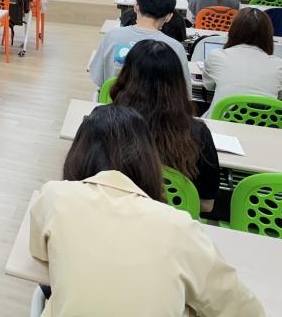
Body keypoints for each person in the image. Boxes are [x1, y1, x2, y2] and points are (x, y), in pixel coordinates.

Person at [30, 104, 263, 317]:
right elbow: (247, 311)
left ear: (77, 154)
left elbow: (41, 254)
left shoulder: (54, 197)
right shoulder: (180, 228)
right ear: (149, 159)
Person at [111, 40, 220, 213]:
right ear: (178, 81)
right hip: (173, 231)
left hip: (118, 220)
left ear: (125, 75)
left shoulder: (105, 123)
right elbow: (207, 205)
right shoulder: (198, 134)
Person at [90, 0, 189, 90]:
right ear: (169, 16)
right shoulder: (175, 47)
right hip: (156, 106)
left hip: (114, 103)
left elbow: (98, 79)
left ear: (136, 6)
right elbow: (184, 91)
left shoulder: (112, 36)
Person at [203, 7, 282, 117]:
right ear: (268, 35)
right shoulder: (279, 65)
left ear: (233, 31)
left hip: (220, 124)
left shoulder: (216, 55)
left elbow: (208, 86)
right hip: (264, 127)